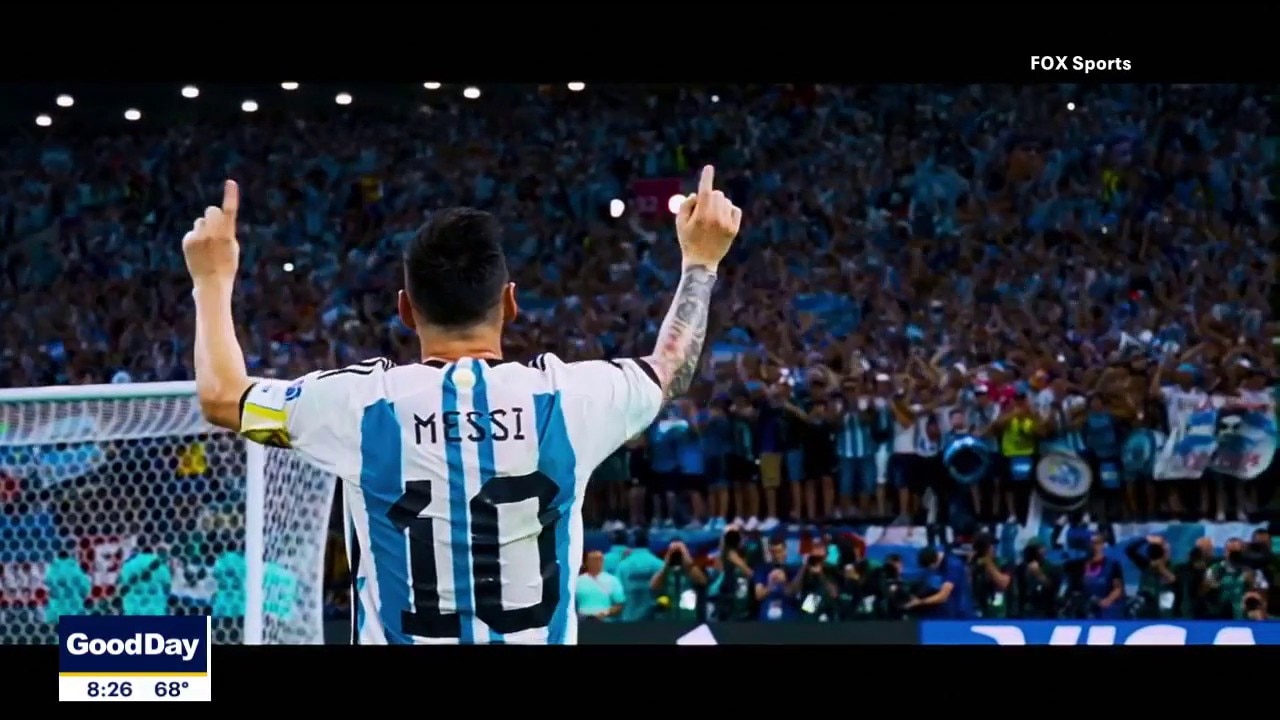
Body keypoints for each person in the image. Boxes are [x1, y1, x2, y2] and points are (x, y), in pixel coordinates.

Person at [184, 167, 742, 645]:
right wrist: (700, 262)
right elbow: (671, 369)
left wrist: (211, 279)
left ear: (405, 309)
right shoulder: (569, 399)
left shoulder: (360, 405)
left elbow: (223, 397)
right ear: (510, 303)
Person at [614, 530, 664, 622]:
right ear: (648, 542)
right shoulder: (660, 565)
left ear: (631, 543)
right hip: (654, 621)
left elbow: (616, 593)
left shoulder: (622, 566)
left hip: (629, 619)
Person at [575, 551, 625, 622]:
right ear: (586, 563)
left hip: (605, 622)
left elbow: (620, 605)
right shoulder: (577, 581)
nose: (597, 563)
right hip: (582, 622)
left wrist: (605, 613)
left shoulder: (612, 580)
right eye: (593, 560)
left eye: (599, 560)